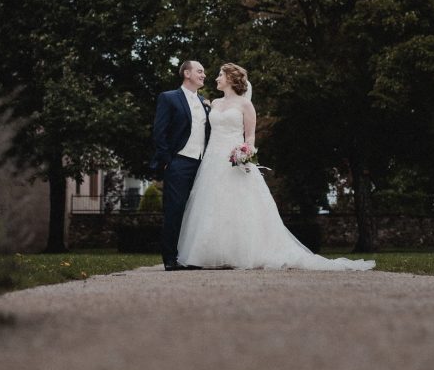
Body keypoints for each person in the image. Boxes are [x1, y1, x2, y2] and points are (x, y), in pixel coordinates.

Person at [176, 63, 375, 271]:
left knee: (241, 205)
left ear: (231, 79)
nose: (215, 78)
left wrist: (246, 152)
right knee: (211, 206)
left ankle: (243, 253)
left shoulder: (245, 105)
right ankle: (212, 253)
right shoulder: (213, 103)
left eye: (220, 75)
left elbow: (250, 136)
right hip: (212, 160)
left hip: (235, 159)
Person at [150, 60, 211, 271]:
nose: (204, 75)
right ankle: (170, 258)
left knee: (196, 212)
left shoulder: (204, 102)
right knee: (175, 210)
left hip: (202, 164)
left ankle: (190, 257)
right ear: (187, 73)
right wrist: (167, 161)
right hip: (179, 162)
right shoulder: (169, 98)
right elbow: (159, 132)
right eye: (200, 71)